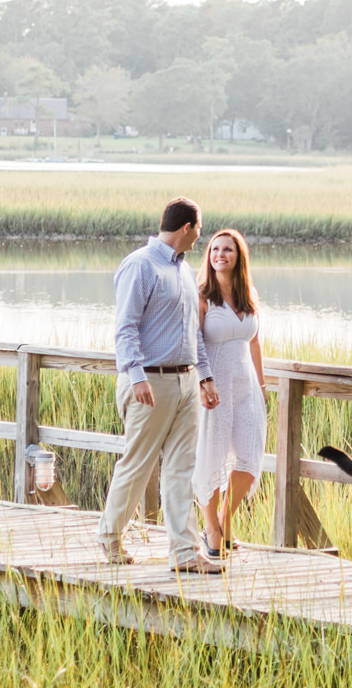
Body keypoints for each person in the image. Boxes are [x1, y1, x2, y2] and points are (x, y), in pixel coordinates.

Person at [98, 198, 223, 573]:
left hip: (186, 382)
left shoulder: (184, 272)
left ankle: (185, 554)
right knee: (138, 464)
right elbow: (125, 327)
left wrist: (204, 375)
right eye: (199, 229)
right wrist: (135, 375)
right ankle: (109, 536)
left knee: (183, 468)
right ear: (186, 228)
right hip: (150, 380)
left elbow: (193, 332)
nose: (200, 237)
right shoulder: (140, 265)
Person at [193, 228, 267, 557]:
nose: (220, 255)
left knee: (249, 458)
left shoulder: (248, 294)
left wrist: (262, 387)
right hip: (214, 385)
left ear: (239, 257)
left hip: (247, 387)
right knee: (211, 455)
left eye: (228, 250)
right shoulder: (202, 297)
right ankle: (211, 529)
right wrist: (202, 380)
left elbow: (253, 341)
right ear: (209, 257)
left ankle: (225, 518)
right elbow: (193, 342)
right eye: (215, 249)